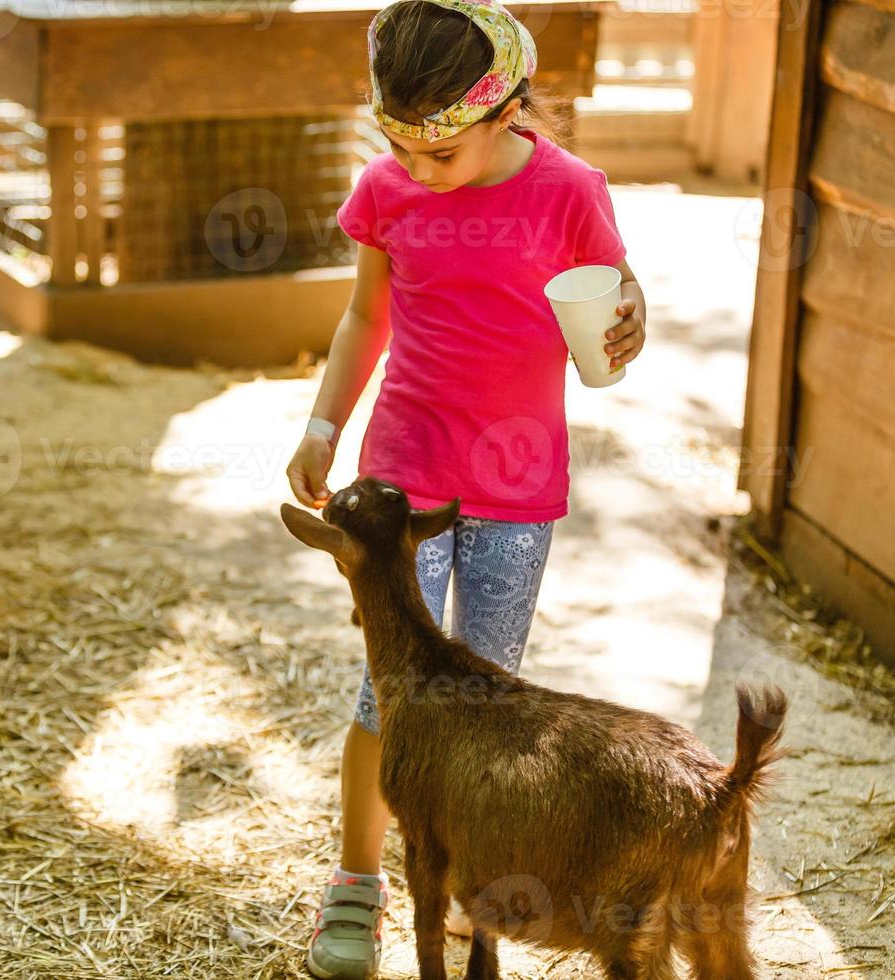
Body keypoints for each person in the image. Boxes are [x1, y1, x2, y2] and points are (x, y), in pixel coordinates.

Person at [283, 0, 649, 976]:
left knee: (485, 712)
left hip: (518, 491)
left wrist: (631, 313)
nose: (417, 169)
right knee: (388, 697)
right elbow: (365, 317)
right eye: (398, 145)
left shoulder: (571, 190)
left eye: (438, 151)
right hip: (402, 485)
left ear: (508, 112)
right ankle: (358, 883)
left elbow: (614, 290)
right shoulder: (388, 191)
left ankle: (457, 893)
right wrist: (324, 424)